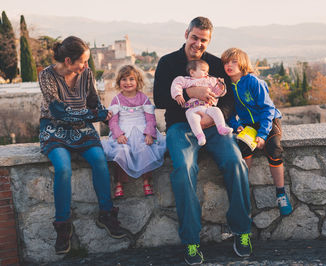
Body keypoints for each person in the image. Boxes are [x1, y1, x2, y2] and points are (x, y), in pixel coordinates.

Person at [153, 17, 252, 265]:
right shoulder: (168, 62)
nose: (198, 43)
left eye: (203, 40)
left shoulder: (216, 64)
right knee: (184, 169)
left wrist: (216, 119)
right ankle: (191, 240)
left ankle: (242, 231)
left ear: (209, 40)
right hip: (180, 126)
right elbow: (158, 98)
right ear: (187, 33)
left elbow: (229, 101)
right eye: (194, 37)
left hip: (214, 126)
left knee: (235, 163)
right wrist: (189, 93)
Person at [38, 36, 127, 255]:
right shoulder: (46, 76)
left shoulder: (85, 74)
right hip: (54, 129)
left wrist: (104, 114)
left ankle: (106, 215)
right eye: (83, 62)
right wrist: (92, 115)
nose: (86, 66)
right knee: (63, 168)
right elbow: (58, 111)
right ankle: (63, 226)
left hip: (82, 129)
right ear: (68, 60)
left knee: (99, 161)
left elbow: (94, 102)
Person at [221, 47, 293, 216]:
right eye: (226, 62)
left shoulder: (253, 81)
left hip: (268, 120)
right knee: (243, 148)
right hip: (248, 124)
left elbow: (268, 108)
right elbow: (229, 111)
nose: (229, 65)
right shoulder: (227, 86)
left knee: (274, 148)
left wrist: (262, 134)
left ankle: (281, 193)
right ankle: (244, 192)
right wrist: (234, 124)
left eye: (234, 62)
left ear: (243, 64)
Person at [101, 65, 166, 198]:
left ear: (138, 82)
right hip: (124, 131)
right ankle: (119, 182)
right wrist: (118, 134)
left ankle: (147, 181)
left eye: (131, 79)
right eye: (124, 79)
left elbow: (150, 119)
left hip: (141, 130)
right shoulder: (117, 99)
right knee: (120, 152)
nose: (128, 82)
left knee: (145, 149)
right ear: (119, 82)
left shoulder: (143, 98)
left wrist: (149, 133)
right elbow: (113, 121)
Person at [170, 59, 233, 146]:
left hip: (207, 107)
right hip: (192, 108)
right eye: (203, 70)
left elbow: (217, 93)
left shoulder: (210, 80)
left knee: (216, 110)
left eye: (207, 71)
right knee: (192, 118)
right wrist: (178, 95)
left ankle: (221, 127)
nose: (206, 73)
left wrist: (221, 87)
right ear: (192, 72)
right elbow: (176, 84)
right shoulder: (186, 80)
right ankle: (200, 136)